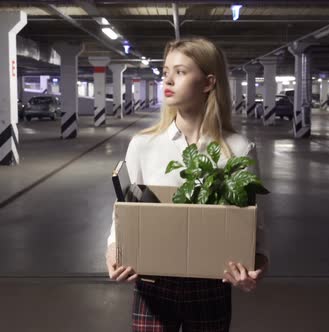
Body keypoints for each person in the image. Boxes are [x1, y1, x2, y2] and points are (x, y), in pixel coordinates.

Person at [105, 37, 269, 332]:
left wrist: (255, 269)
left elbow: (253, 225)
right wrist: (114, 253)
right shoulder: (143, 145)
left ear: (208, 83)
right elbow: (124, 215)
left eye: (180, 72)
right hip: (151, 284)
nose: (167, 78)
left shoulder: (238, 149)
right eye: (166, 70)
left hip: (210, 285)